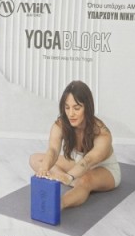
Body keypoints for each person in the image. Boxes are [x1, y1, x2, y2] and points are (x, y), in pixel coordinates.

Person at [29, 80, 121, 210]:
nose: (71, 114)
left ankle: (58, 204)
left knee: (85, 180)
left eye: (77, 108)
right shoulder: (61, 125)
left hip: (104, 169)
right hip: (78, 164)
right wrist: (44, 168)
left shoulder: (102, 133)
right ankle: (70, 180)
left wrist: (69, 175)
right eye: (67, 108)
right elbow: (53, 150)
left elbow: (88, 160)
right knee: (35, 159)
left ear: (87, 108)